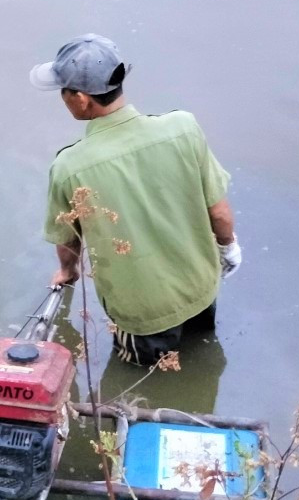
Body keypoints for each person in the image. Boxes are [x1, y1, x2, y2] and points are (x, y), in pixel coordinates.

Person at [32, 34, 241, 367]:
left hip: (143, 316)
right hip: (202, 288)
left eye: (64, 92)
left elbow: (69, 242)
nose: (63, 98)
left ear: (82, 99)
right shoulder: (183, 128)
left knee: (139, 388)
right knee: (203, 359)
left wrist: (67, 271)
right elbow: (218, 212)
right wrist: (229, 249)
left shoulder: (69, 167)